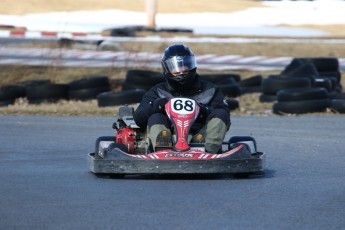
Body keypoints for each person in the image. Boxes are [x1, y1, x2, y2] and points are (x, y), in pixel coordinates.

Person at [133, 44, 230, 153]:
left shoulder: (210, 90)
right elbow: (137, 120)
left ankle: (205, 149)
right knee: (155, 116)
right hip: (168, 136)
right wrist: (155, 106)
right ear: (167, 68)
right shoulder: (158, 91)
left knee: (221, 113)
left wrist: (203, 110)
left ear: (191, 65)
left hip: (199, 136)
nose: (181, 71)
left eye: (185, 65)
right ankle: (162, 148)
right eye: (175, 67)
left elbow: (224, 116)